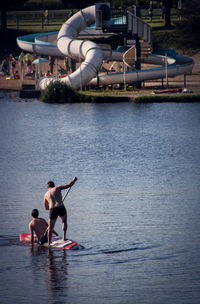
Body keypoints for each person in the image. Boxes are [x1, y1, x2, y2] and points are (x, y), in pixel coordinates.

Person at [44, 177, 77, 246]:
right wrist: (74, 180)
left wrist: (50, 205)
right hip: (61, 207)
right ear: (53, 185)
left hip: (53, 209)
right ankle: (64, 237)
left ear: (48, 187)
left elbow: (46, 207)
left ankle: (49, 242)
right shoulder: (57, 188)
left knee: (50, 227)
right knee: (64, 221)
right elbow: (69, 185)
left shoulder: (46, 195)